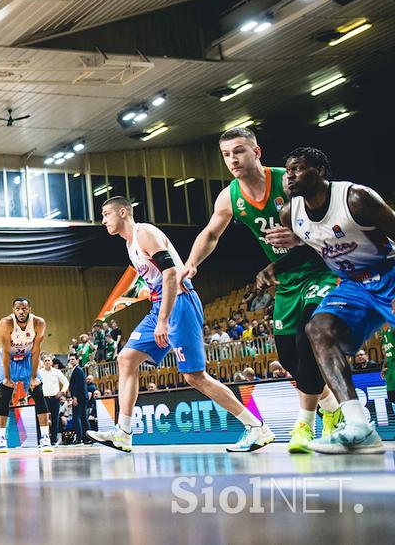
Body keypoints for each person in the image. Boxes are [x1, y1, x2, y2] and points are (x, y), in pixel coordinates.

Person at [180, 127, 341, 453]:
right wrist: (192, 263)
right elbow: (211, 234)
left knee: (309, 337)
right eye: (226, 154)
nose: (233, 159)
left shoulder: (289, 181)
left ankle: (304, 426)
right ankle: (332, 408)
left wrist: (301, 237)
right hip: (285, 281)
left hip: (320, 269)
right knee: (290, 360)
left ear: (257, 152)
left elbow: (330, 217)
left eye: (239, 151)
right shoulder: (230, 197)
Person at [89, 197, 274, 453]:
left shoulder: (144, 232)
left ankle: (256, 427)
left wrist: (163, 320)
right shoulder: (130, 245)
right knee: (126, 359)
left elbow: (171, 274)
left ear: (123, 212)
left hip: (180, 302)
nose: (103, 220)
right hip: (160, 305)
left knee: (194, 376)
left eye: (107, 214)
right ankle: (124, 433)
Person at [255, 147, 395, 454]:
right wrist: (275, 267)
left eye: (298, 169)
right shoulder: (289, 213)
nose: (289, 176)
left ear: (319, 170)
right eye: (287, 171)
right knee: (317, 329)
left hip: (388, 271)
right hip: (353, 285)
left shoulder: (355, 198)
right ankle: (358, 426)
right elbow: (312, 246)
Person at [0, 298, 53, 453]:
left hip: (28, 357)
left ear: (29, 310)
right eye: (18, 309)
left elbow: (36, 351)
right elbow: (6, 352)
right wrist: (7, 378)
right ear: (14, 310)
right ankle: (1, 438)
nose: (21, 312)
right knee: (5, 394)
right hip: (10, 358)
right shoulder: (6, 323)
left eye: (24, 309)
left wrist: (33, 377)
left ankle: (45, 437)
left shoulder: (38, 323)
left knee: (38, 392)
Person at [37, 357, 69, 444]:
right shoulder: (39, 372)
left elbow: (66, 382)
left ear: (51, 362)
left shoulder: (57, 372)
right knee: (41, 419)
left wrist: (62, 392)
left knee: (55, 419)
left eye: (48, 360)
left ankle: (54, 440)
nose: (47, 362)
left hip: (55, 398)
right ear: (43, 363)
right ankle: (41, 439)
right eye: (45, 361)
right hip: (43, 399)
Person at [66, 356, 88, 444]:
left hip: (79, 397)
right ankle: (86, 437)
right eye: (70, 359)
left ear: (77, 360)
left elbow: (78, 385)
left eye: (73, 359)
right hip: (82, 397)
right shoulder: (76, 370)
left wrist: (75, 397)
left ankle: (79, 438)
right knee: (83, 417)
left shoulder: (78, 370)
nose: (71, 361)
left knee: (77, 417)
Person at [382, 324, 395, 422]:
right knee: (392, 398)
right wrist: (384, 366)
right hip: (390, 370)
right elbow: (387, 351)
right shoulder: (382, 330)